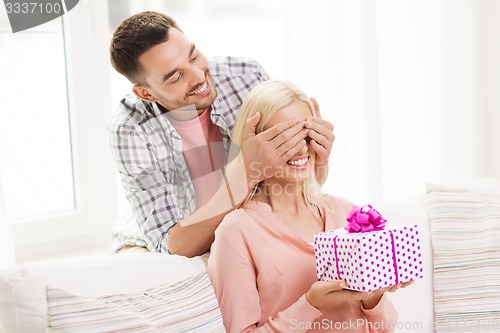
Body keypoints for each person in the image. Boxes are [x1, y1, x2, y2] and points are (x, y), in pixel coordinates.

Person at [108, 12, 334, 257]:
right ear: (146, 94)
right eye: (175, 77)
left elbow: (290, 186)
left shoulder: (246, 77)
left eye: (193, 56)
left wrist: (317, 158)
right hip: (159, 243)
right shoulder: (130, 129)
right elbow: (172, 247)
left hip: (243, 224)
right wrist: (246, 173)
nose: (198, 76)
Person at [207, 80, 412, 333]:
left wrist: (373, 296)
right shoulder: (237, 231)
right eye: (284, 138)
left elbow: (386, 327)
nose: (301, 148)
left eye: (307, 133)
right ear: (255, 147)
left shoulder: (347, 214)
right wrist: (311, 304)